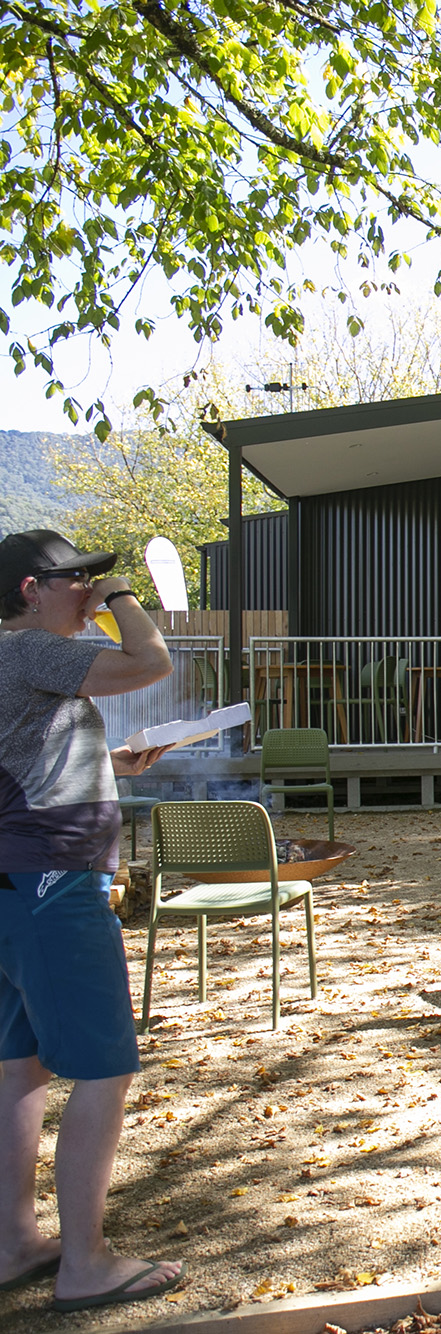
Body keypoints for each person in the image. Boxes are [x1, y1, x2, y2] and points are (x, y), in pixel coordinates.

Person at [0, 529, 185, 1311]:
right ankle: (87, 1264)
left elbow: (23, 753)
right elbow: (151, 663)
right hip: (53, 883)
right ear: (27, 592)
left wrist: (112, 762)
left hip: (15, 883)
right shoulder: (26, 651)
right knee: (105, 1069)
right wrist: (121, 597)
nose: (86, 591)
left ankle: (13, 1244)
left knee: (19, 1067)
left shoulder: (13, 661)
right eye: (72, 581)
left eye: (93, 581)